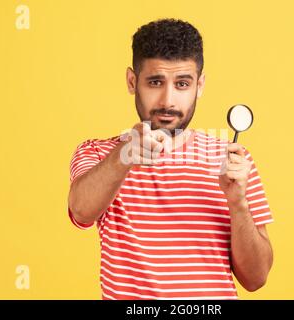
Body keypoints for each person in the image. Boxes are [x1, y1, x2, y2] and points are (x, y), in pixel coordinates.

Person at [68, 18, 274, 300]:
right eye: (155, 82)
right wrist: (123, 157)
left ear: (199, 85)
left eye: (182, 84)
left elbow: (256, 278)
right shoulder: (98, 154)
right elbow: (80, 212)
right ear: (132, 81)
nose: (168, 100)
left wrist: (237, 203)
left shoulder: (232, 160)